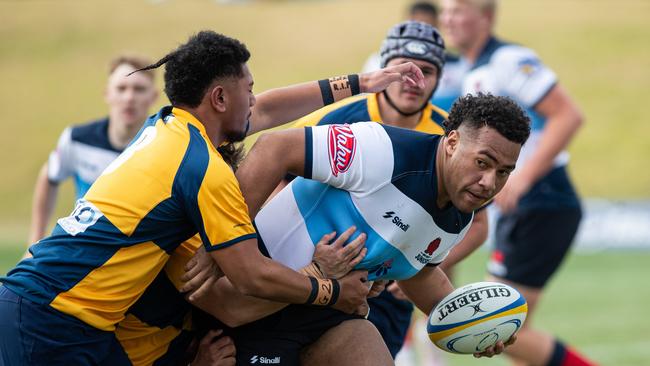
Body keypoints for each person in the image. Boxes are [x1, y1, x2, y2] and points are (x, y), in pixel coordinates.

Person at [0, 30, 424, 365]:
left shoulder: (165, 127)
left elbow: (268, 111)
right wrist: (327, 286)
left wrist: (359, 83)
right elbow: (249, 280)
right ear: (220, 98)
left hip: (47, 310)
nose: (256, 99)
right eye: (249, 88)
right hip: (53, 317)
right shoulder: (201, 169)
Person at [184, 92, 530, 365]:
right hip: (256, 301)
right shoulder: (382, 151)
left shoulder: (459, 212)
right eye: (482, 163)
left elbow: (418, 270)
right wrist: (226, 242)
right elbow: (274, 148)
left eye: (504, 172)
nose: (489, 183)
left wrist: (477, 326)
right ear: (452, 142)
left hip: (330, 313)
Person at [285, 20, 490, 359]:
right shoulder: (338, 119)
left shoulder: (452, 136)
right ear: (383, 69)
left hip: (389, 294)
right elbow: (279, 172)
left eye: (427, 71)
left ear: (440, 79)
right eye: (403, 70)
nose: (414, 81)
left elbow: (479, 225)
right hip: (323, 275)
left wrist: (412, 268)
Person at [436, 1, 594, 365]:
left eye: (458, 10)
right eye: (445, 11)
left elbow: (567, 116)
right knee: (507, 328)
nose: (448, 18)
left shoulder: (508, 59)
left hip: (544, 200)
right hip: (522, 205)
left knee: (503, 327)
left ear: (486, 17)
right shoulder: (473, 70)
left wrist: (521, 179)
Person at [27, 55, 159, 244]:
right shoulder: (77, 139)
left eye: (139, 89)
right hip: (84, 248)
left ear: (153, 96)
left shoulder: (162, 147)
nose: (129, 97)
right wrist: (35, 239)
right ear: (107, 94)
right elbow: (49, 175)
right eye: (121, 88)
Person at [362, 1, 440, 73]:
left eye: (428, 28)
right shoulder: (377, 61)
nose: (420, 34)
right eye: (414, 26)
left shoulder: (449, 65)